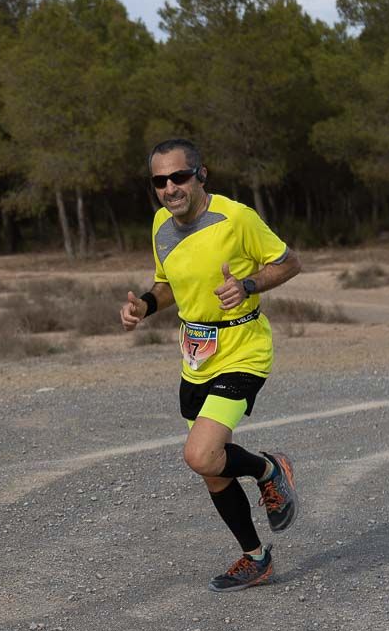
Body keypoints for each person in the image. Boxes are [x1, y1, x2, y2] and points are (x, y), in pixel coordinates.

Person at [120, 138, 303, 592]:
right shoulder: (161, 223)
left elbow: (288, 263)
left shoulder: (235, 217)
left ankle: (268, 470)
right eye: (159, 181)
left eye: (179, 177)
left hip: (243, 347)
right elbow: (167, 285)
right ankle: (256, 557)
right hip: (195, 353)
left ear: (201, 175)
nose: (169, 188)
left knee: (199, 454)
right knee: (212, 469)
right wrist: (145, 305)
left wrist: (246, 283)